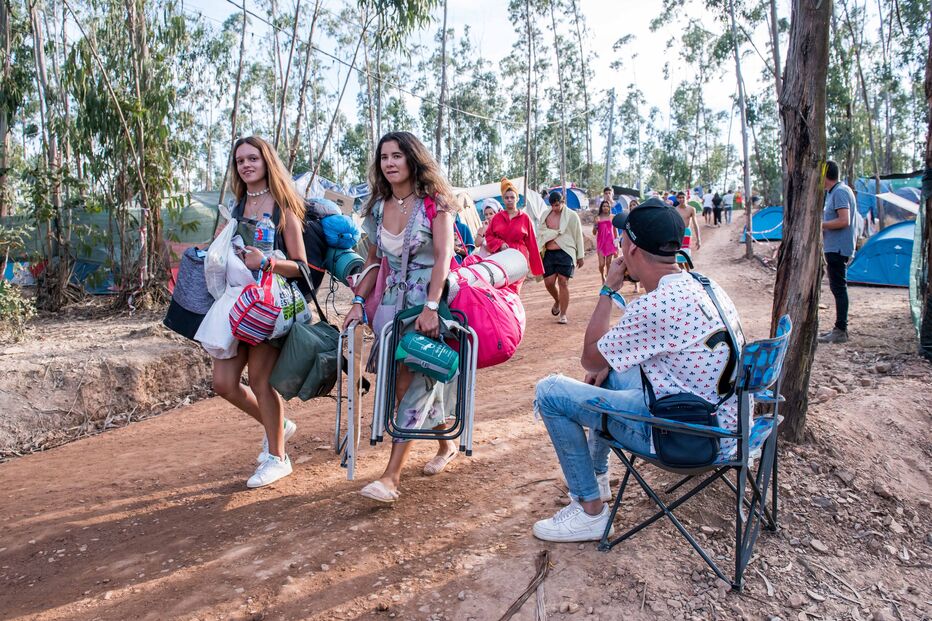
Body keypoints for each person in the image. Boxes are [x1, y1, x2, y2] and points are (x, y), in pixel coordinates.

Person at [531, 197, 745, 542]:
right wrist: (607, 366)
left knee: (551, 392)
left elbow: (589, 358)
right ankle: (597, 477)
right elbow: (607, 363)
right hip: (728, 424)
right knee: (610, 373)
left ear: (630, 248)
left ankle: (590, 512)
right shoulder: (704, 283)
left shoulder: (654, 307)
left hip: (685, 438)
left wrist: (607, 289)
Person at [343, 131, 460, 503]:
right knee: (400, 384)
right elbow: (376, 261)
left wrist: (430, 307)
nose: (390, 163)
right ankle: (446, 444)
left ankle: (391, 478)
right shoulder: (378, 207)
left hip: (429, 299)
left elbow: (443, 257)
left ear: (413, 159)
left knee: (412, 381)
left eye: (397, 156)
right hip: (391, 305)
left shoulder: (435, 203)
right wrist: (358, 301)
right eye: (383, 157)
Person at [213, 136, 309, 488]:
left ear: (267, 161)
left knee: (260, 381)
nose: (246, 165)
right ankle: (278, 427)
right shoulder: (234, 209)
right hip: (235, 303)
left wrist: (267, 261)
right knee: (223, 383)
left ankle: (277, 457)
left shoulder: (284, 208)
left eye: (253, 158)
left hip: (269, 306)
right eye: (240, 161)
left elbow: (303, 267)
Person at [819, 160, 858, 344]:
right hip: (834, 247)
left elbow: (844, 220)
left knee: (839, 289)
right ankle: (838, 327)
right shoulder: (835, 192)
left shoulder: (840, 192)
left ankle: (841, 330)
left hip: (838, 247)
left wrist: (819, 225)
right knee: (837, 288)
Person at [484, 178, 545, 289]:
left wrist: (537, 269)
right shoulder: (497, 218)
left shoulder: (525, 218)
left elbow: (532, 244)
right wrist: (499, 243)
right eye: (506, 198)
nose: (509, 200)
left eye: (512, 197)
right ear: (503, 199)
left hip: (519, 260)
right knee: (501, 290)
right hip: (500, 259)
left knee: (514, 291)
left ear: (517, 199)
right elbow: (489, 236)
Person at [537, 191, 585, 324]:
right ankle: (558, 300)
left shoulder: (572, 215)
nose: (555, 208)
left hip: (566, 252)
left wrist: (580, 255)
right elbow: (540, 233)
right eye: (553, 205)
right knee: (549, 282)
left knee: (563, 282)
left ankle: (563, 314)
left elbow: (577, 235)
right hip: (550, 253)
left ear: (562, 202)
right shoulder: (546, 215)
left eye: (557, 205)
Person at [593, 200, 617, 283]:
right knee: (601, 264)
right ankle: (602, 276)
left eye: (607, 206)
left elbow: (615, 230)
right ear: (601, 207)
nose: (605, 207)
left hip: (610, 242)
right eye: (604, 206)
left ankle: (608, 278)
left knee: (608, 263)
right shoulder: (597, 218)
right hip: (601, 242)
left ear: (609, 207)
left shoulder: (612, 217)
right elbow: (594, 233)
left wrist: (616, 243)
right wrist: (595, 226)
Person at [674, 190, 701, 265]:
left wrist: (698, 239)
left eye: (683, 197)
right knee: (679, 259)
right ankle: (684, 274)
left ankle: (688, 273)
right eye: (679, 198)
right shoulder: (675, 210)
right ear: (677, 199)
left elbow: (695, 224)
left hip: (686, 233)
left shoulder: (691, 209)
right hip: (678, 234)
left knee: (686, 258)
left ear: (687, 198)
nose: (681, 199)